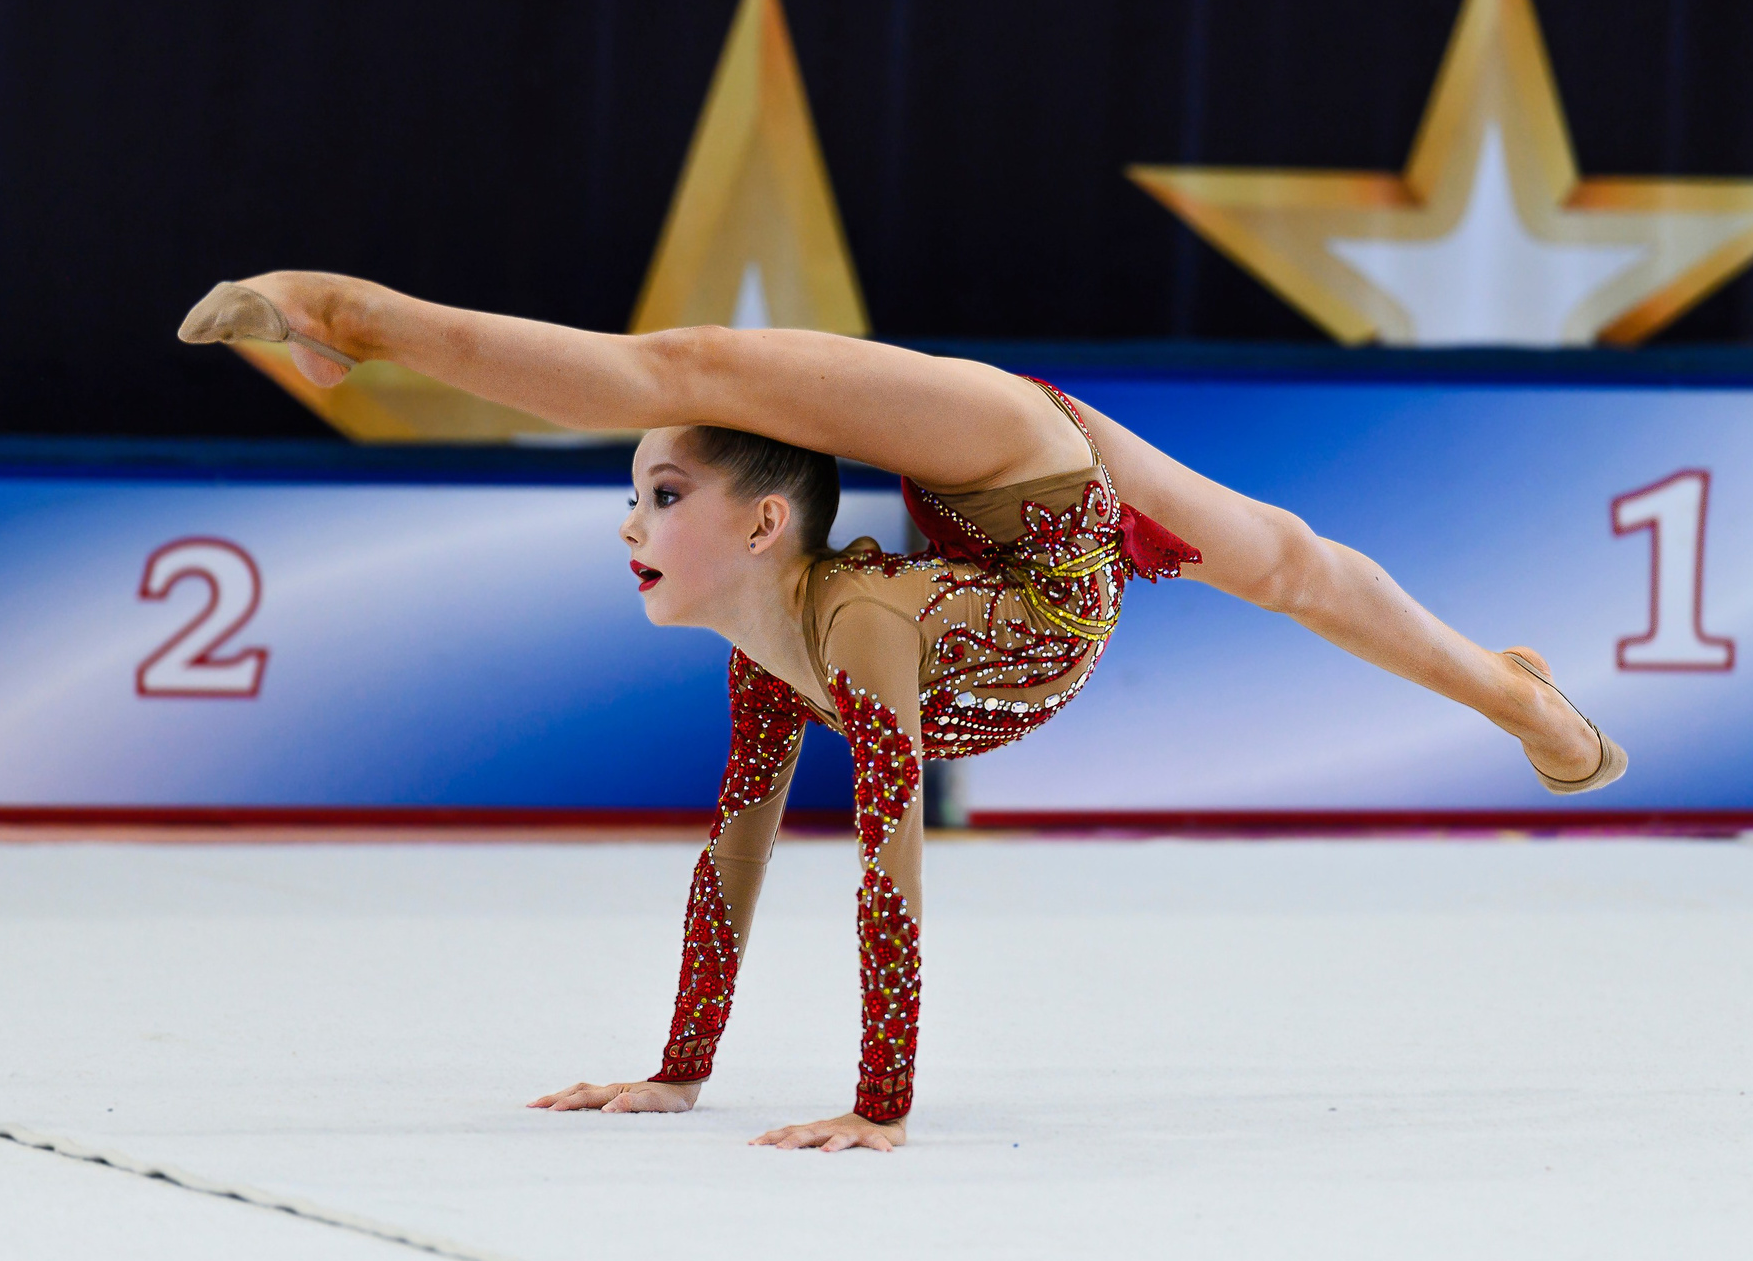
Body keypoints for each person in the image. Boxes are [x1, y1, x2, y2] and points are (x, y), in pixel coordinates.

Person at [179, 273, 1623, 1154]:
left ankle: (341, 312)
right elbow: (734, 850)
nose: (630, 525)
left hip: (1014, 474)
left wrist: (883, 1103)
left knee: (689, 372)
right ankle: (1518, 693)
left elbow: (892, 868)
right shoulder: (781, 640)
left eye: (662, 498)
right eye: (638, 498)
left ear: (757, 526)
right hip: (1007, 533)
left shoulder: (858, 628)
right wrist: (677, 1078)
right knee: (1286, 558)